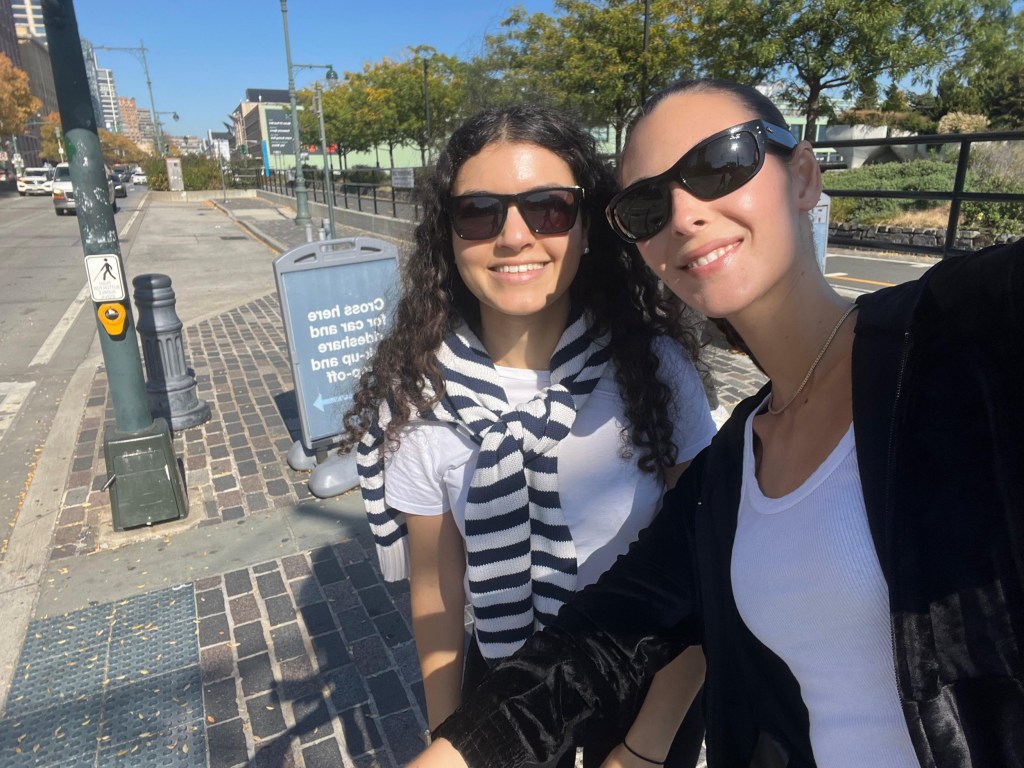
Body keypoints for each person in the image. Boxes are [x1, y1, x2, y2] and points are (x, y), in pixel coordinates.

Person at [408, 79, 1024, 768]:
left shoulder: (960, 337)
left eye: (719, 164)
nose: (684, 214)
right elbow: (602, 641)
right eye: (646, 204)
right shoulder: (729, 477)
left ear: (804, 175)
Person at [339, 104, 718, 767]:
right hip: (503, 690)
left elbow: (710, 566)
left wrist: (645, 748)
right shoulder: (419, 403)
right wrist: (452, 734)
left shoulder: (654, 373)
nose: (514, 237)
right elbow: (435, 590)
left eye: (548, 209)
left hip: (650, 690)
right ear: (448, 236)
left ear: (588, 227)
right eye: (479, 213)